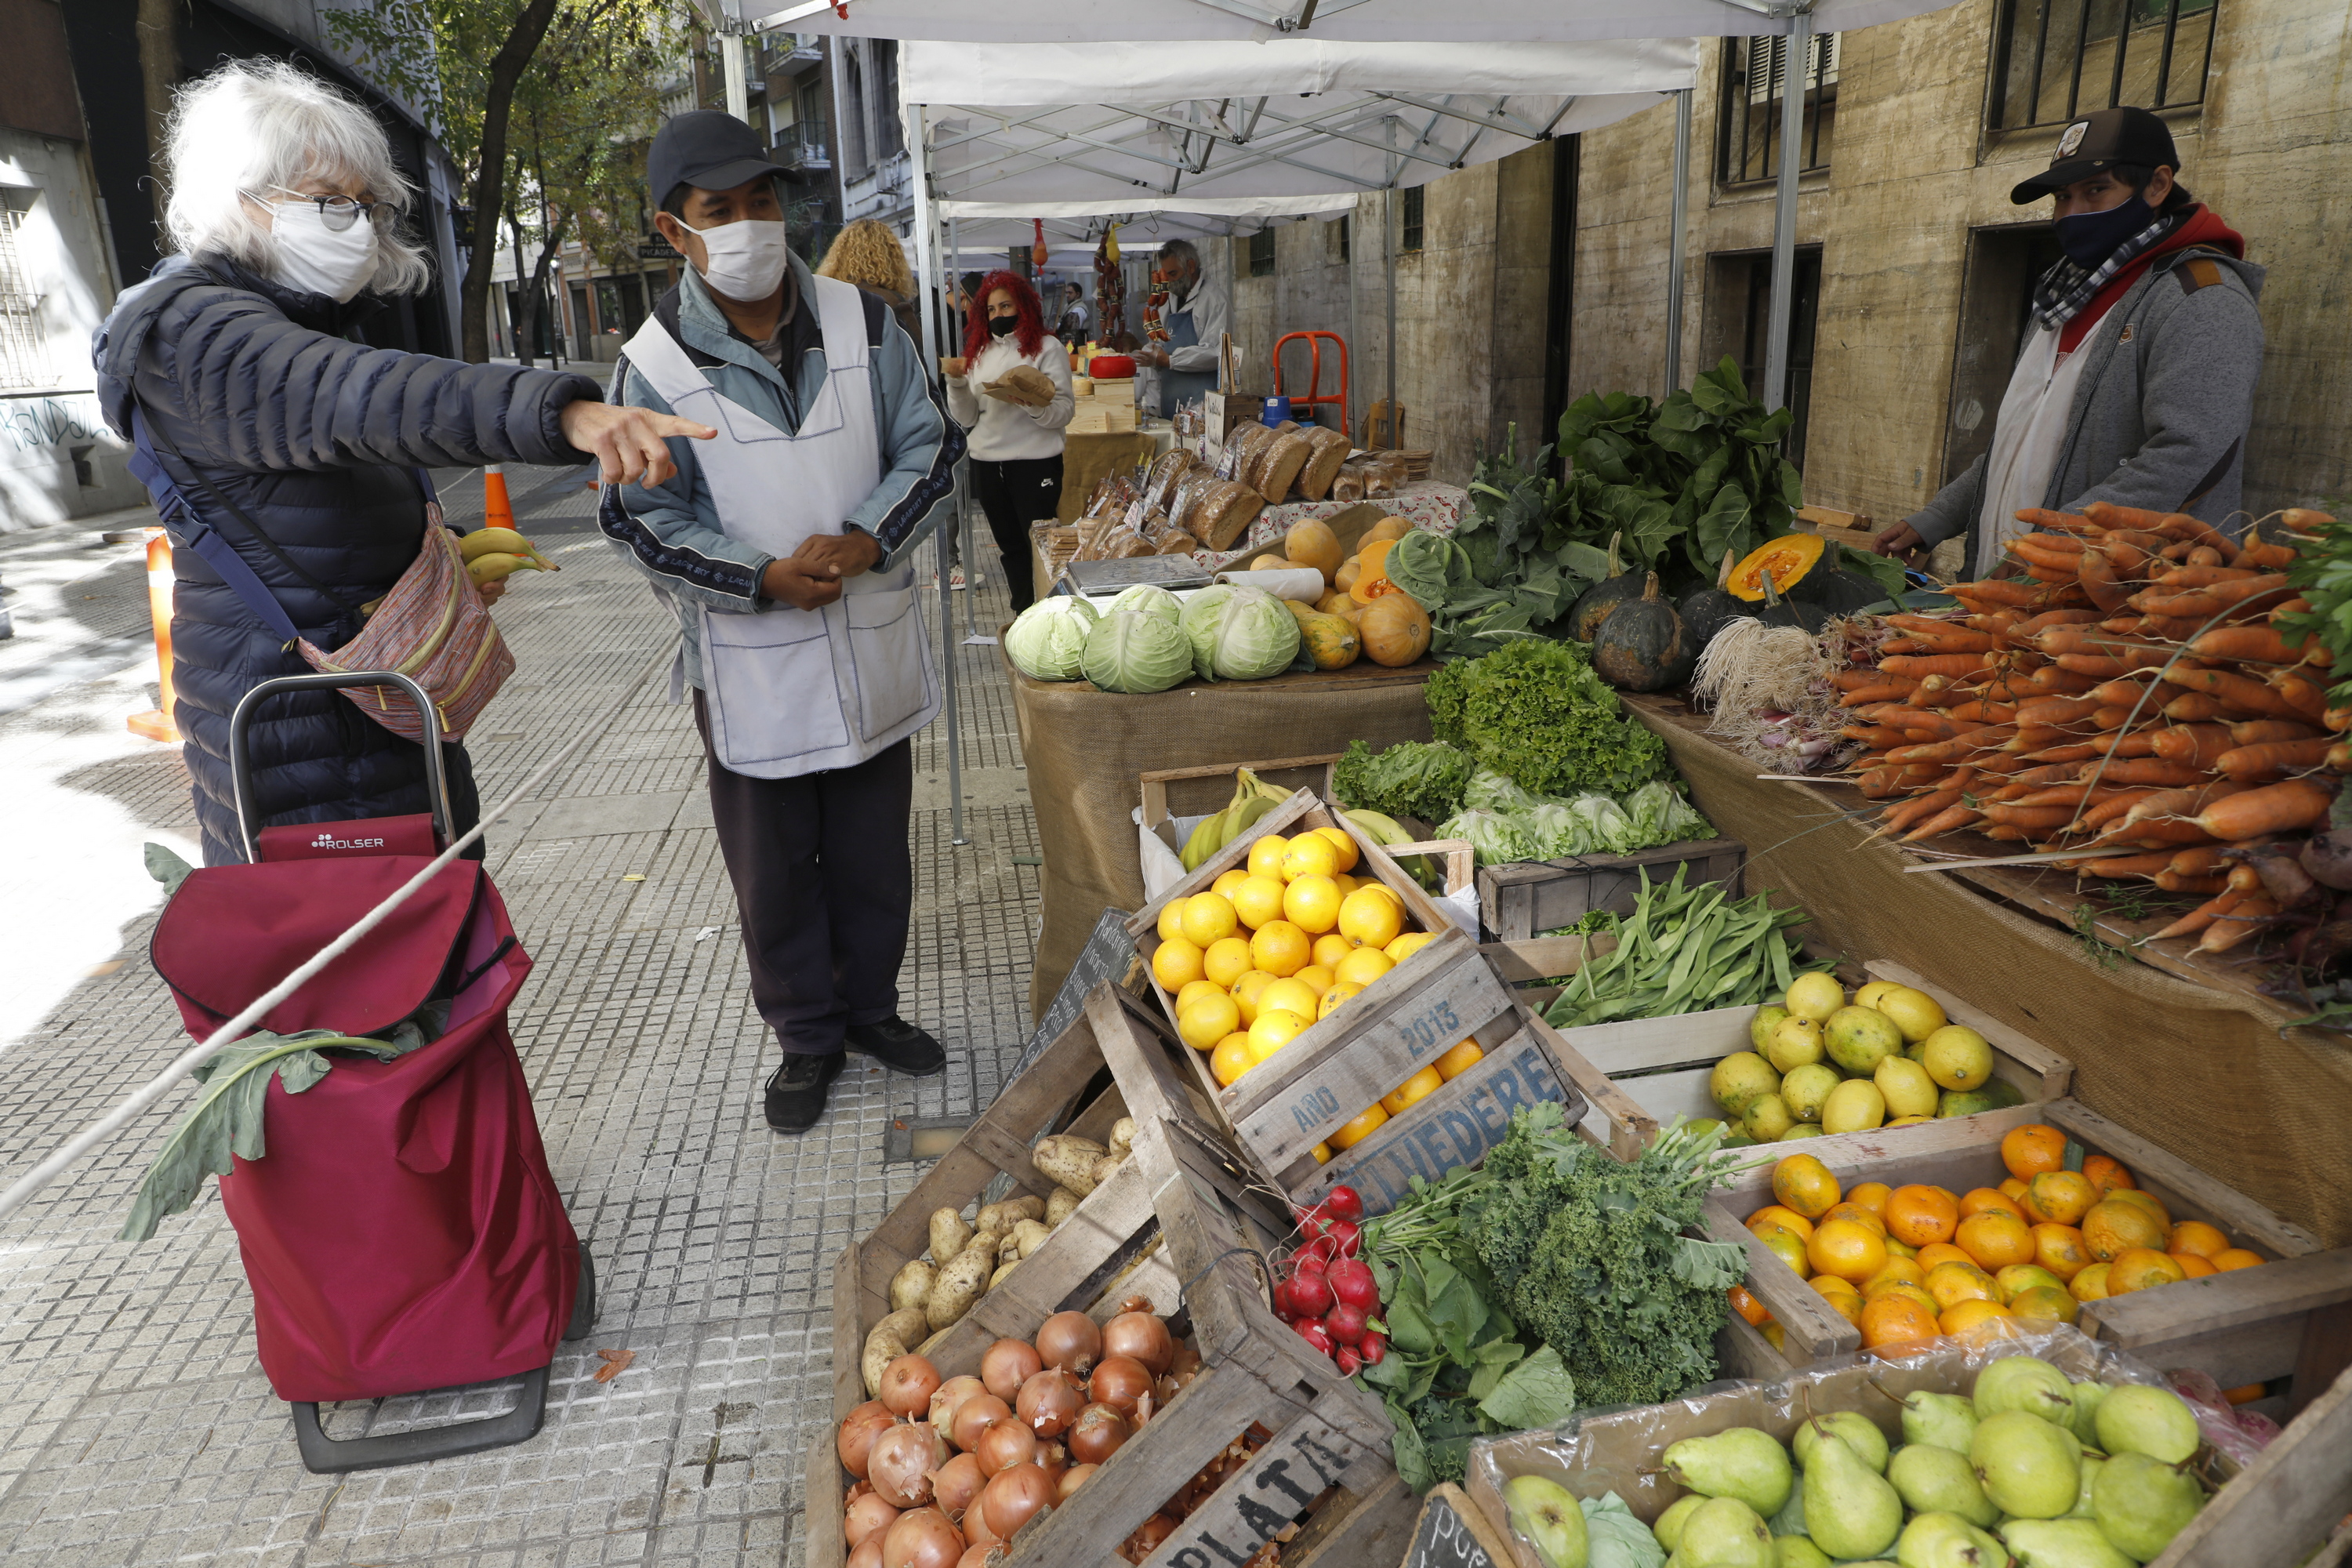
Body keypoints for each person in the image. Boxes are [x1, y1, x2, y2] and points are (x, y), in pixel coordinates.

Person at [92, 60, 703, 868]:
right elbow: (358, 394)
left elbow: (315, 508)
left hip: (367, 708)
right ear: (244, 198)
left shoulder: (293, 318)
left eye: (366, 205)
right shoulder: (196, 334)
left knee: (434, 925)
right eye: (329, 201)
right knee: (362, 945)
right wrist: (564, 412)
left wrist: (434, 569)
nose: (356, 226)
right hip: (300, 738)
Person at [600, 111, 964, 1133]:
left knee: (873, 853)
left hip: (866, 638)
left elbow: (931, 450)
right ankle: (807, 1036)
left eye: (762, 200)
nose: (751, 223)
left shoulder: (863, 324)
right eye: (720, 209)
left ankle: (873, 1009)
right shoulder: (654, 366)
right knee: (773, 871)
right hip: (746, 663)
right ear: (674, 230)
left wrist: (868, 537)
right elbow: (640, 519)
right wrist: (759, 576)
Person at [1876, 107, 2263, 575]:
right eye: (2062, 196)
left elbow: (2191, 452)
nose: (2071, 212)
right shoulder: (2060, 297)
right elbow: (2021, 441)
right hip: (2017, 586)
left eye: (2096, 191)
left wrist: (2054, 546)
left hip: (2118, 596)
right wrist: (1936, 518)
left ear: (2157, 185)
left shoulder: (2201, 297)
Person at [941, 270, 1075, 612]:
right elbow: (967, 417)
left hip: (1036, 463)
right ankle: (1023, 613)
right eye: (990, 309)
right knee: (1010, 546)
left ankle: (1051, 613)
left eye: (1005, 306)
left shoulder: (1048, 348)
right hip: (987, 463)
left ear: (1023, 306)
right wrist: (956, 383)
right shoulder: (979, 352)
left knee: (1042, 548)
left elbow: (1063, 412)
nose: (998, 314)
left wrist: (1031, 403)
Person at [1132, 238, 1225, 418]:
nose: (1168, 281)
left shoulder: (1213, 300)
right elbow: (1159, 341)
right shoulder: (1170, 298)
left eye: (1173, 274)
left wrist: (1170, 360)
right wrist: (1152, 354)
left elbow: (1216, 353)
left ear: (1190, 267)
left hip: (1202, 405)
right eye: (1165, 275)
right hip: (1171, 400)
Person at [818, 218, 923, 350]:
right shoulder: (891, 301)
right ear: (891, 258)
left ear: (839, 257)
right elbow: (921, 354)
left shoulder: (829, 300)